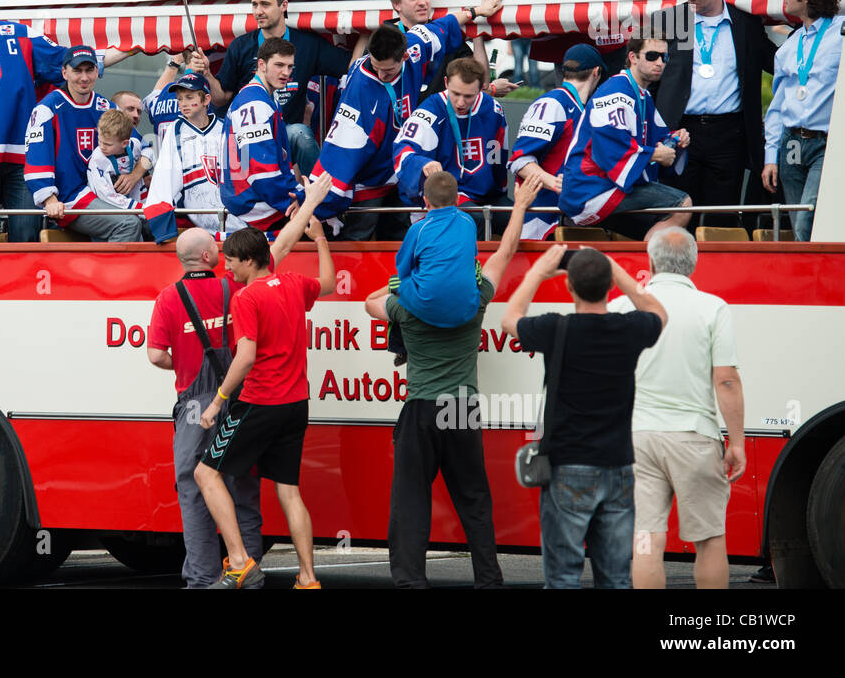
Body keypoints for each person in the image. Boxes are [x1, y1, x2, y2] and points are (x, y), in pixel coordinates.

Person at [365, 174, 542, 588]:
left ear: (424, 202)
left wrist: (402, 285)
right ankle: (488, 579)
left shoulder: (407, 307)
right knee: (475, 501)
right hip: (463, 406)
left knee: (410, 503)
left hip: (421, 407)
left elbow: (371, 303)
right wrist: (518, 206)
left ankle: (411, 581)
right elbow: (505, 251)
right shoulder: (475, 298)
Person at [194, 174, 336, 589]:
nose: (227, 268)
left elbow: (246, 356)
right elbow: (327, 283)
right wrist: (319, 234)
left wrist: (219, 401)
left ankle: (238, 560)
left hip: (259, 402)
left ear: (249, 261)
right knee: (289, 491)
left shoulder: (246, 297)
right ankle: (308, 579)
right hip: (297, 404)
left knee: (205, 474)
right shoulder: (290, 283)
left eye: (231, 261)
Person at [502, 245, 668, 589]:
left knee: (563, 578)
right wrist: (616, 269)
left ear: (568, 287)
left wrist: (537, 272)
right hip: (619, 465)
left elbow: (509, 319)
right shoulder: (630, 329)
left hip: (568, 467)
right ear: (609, 287)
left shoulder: (555, 328)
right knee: (617, 578)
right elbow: (657, 312)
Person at [0, 0, 137, 242]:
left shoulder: (20, 35)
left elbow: (68, 61)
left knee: (26, 240)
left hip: (23, 163)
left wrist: (137, 45)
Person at [610, 228, 745, 589]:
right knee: (710, 539)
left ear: (650, 262)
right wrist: (736, 443)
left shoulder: (621, 307)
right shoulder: (712, 307)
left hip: (635, 440)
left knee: (645, 538)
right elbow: (726, 379)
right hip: (694, 439)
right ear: (694, 264)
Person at [147, 227, 265, 588]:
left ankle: (202, 578)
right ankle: (250, 572)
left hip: (196, 408)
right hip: (237, 399)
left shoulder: (169, 298)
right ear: (208, 258)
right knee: (241, 485)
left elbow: (155, 355)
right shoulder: (235, 287)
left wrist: (183, 363)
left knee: (195, 490)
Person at [649, 0, 777, 228]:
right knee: (679, 209)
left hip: (729, 133)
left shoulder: (745, 24)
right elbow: (650, 77)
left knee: (722, 214)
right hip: (681, 131)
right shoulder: (670, 20)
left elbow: (777, 63)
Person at [210, 0, 358, 173]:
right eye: (254, 4)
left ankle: (317, 194)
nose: (258, 11)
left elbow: (349, 66)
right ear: (261, 64)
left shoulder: (307, 44)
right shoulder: (241, 46)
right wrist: (206, 74)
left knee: (300, 133)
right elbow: (221, 100)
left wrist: (366, 30)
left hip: (286, 137)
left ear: (283, 5)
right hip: (247, 139)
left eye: (265, 4)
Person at [559, 34, 693, 240]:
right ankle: (651, 270)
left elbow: (658, 138)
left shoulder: (641, 94)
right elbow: (612, 150)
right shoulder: (617, 93)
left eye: (664, 58)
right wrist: (655, 155)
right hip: (589, 191)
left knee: (659, 223)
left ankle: (641, 267)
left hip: (606, 188)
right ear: (633, 57)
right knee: (681, 205)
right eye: (652, 56)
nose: (659, 63)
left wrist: (676, 138)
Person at [25, 46, 146, 242]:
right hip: (71, 198)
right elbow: (36, 161)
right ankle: (111, 274)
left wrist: (135, 175)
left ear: (97, 71)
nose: (84, 77)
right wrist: (49, 198)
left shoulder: (105, 106)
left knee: (153, 219)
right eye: (77, 70)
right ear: (64, 72)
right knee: (128, 223)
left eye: (89, 70)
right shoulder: (47, 109)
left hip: (105, 191)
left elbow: (143, 144)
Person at [311, 23, 417, 240]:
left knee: (400, 239)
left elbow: (436, 33)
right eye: (376, 66)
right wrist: (324, 199)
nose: (380, 73)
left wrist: (472, 13)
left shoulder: (414, 53)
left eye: (388, 70)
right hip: (367, 178)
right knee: (359, 240)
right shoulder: (361, 87)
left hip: (396, 172)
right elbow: (343, 148)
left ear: (405, 57)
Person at [761, 0, 843, 242]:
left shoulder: (840, 33)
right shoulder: (788, 46)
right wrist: (771, 156)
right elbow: (776, 107)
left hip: (827, 144)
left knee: (809, 219)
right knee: (799, 227)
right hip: (791, 144)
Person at [393, 57, 509, 231]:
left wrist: (500, 191)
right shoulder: (430, 111)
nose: (461, 102)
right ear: (446, 83)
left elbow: (499, 159)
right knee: (473, 220)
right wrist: (424, 163)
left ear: (481, 88)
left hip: (485, 195)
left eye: (469, 96)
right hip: (445, 197)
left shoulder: (493, 110)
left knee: (521, 217)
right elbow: (402, 152)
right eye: (456, 93)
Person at [509, 43, 605, 239]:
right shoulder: (553, 103)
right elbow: (520, 161)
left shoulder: (583, 108)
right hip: (543, 221)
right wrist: (556, 184)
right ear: (596, 72)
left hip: (571, 217)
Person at [144, 73, 246, 242]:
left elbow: (240, 174)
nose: (183, 103)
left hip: (232, 218)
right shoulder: (176, 130)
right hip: (195, 223)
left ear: (206, 100)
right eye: (179, 99)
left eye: (189, 97)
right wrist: (162, 223)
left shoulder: (225, 128)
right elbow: (164, 179)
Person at [387, 0, 511, 103]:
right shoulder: (385, 38)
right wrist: (477, 11)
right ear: (396, 4)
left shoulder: (446, 35)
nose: (422, 2)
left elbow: (481, 83)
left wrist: (476, 31)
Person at [220, 35, 305, 231]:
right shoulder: (254, 102)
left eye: (290, 67)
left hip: (258, 202)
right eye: (279, 65)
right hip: (256, 207)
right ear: (261, 64)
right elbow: (262, 174)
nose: (286, 72)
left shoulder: (265, 99)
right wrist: (301, 201)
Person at [145, 47, 216, 146]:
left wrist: (175, 62)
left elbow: (151, 98)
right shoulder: (205, 93)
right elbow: (223, 99)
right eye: (180, 99)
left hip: (163, 158)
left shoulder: (166, 91)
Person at [85, 108, 152, 213]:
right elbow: (105, 194)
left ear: (124, 143)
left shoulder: (135, 145)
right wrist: (138, 207)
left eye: (108, 144)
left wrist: (135, 175)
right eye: (99, 141)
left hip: (138, 205)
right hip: (108, 207)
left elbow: (151, 150)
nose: (102, 146)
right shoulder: (98, 158)